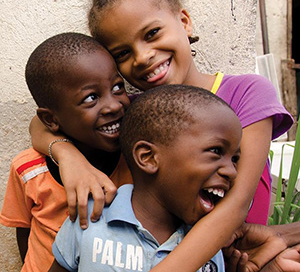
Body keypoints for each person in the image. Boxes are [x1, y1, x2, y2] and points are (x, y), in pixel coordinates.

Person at [29, 0, 294, 270]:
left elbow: (237, 206)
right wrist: (68, 157)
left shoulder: (246, 92)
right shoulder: (139, 112)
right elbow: (42, 123)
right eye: (123, 53)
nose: (142, 57)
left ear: (183, 21)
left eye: (152, 33)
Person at [49, 84, 242, 271]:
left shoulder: (210, 240)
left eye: (235, 159)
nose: (232, 171)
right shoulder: (93, 215)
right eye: (216, 151)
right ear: (148, 158)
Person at [0, 32, 132, 272]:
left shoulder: (137, 160)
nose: (113, 105)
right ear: (51, 119)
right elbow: (25, 231)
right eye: (91, 98)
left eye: (117, 86)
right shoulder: (28, 169)